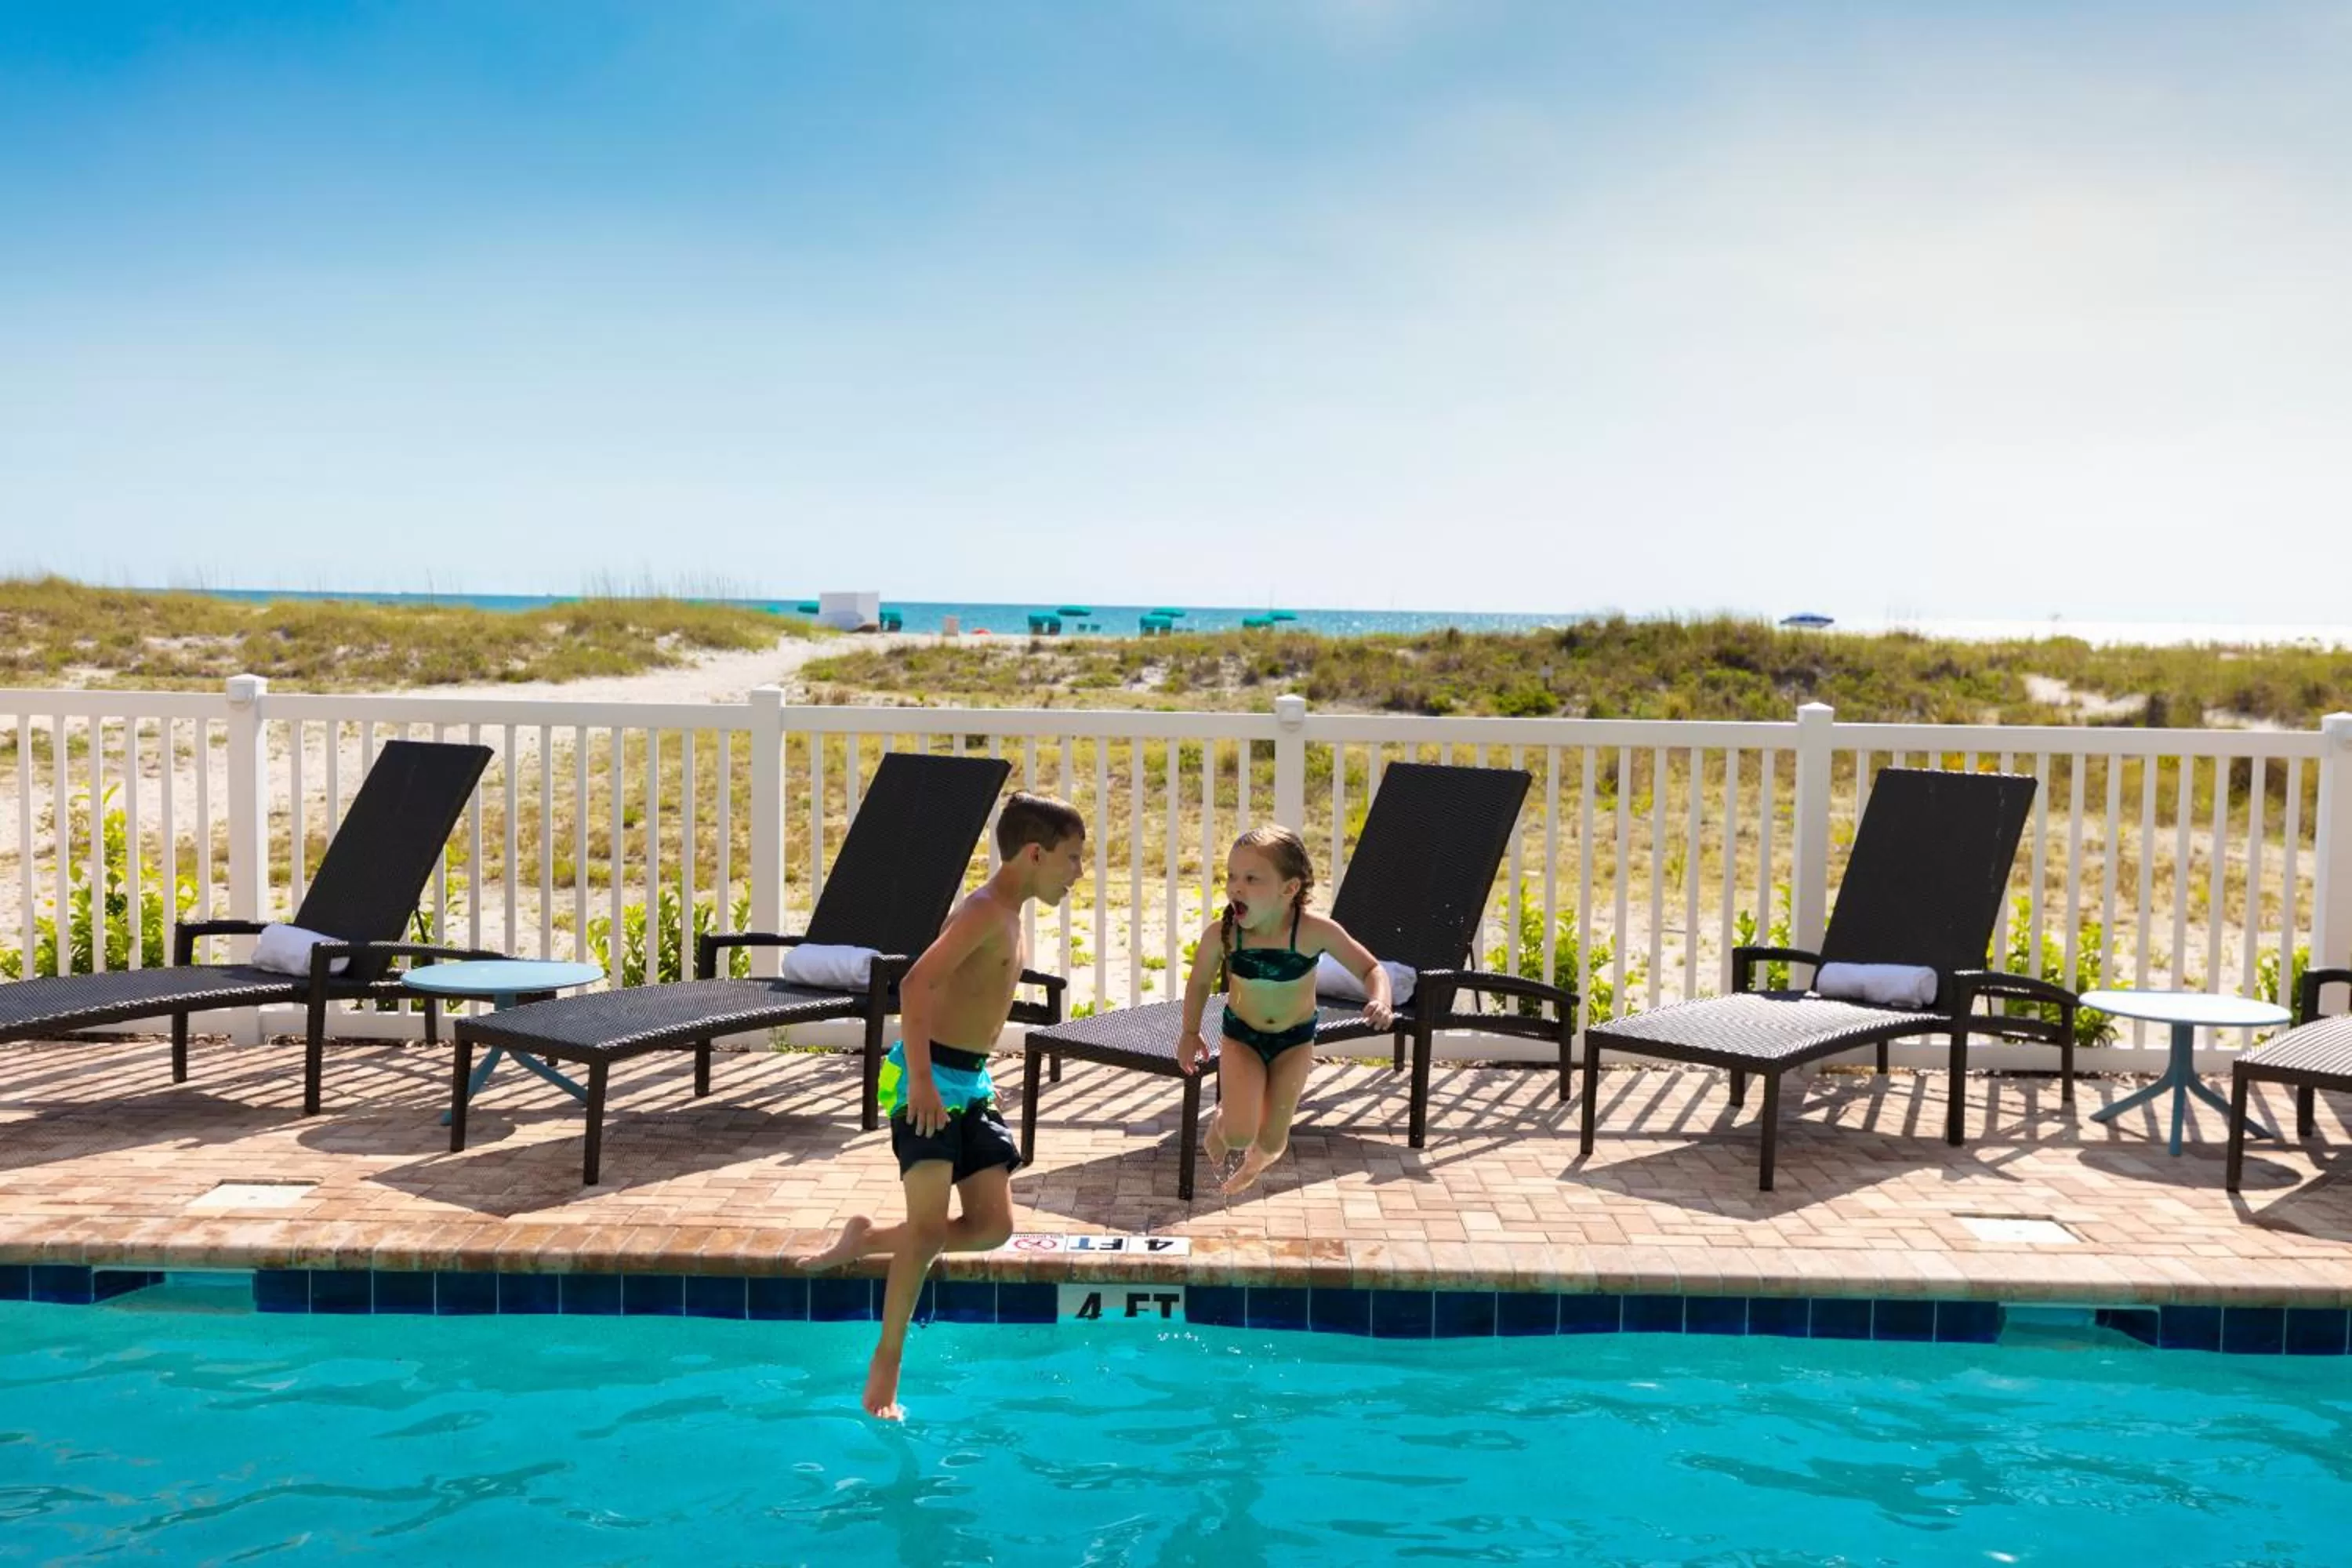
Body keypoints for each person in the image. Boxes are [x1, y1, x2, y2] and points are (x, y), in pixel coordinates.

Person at [796, 790, 1086, 1419]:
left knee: (993, 1227)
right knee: (927, 1231)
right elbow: (915, 983)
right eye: (1071, 858)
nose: (1078, 872)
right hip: (926, 1082)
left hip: (969, 1082)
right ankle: (886, 1367)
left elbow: (971, 1001)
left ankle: (868, 1239)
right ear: (1035, 854)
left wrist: (972, 1073)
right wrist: (924, 1081)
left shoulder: (1010, 915)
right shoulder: (983, 912)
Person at [1178, 826, 1392, 1195]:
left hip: (1294, 1043)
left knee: (1273, 1144)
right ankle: (1224, 1123)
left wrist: (1380, 1000)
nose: (1235, 887)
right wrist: (1190, 1032)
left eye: (1251, 879)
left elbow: (1372, 969)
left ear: (1289, 888)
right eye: (1231, 876)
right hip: (1243, 1038)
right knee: (1241, 1133)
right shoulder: (1224, 934)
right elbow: (1199, 983)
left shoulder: (1313, 932)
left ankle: (1252, 1166)